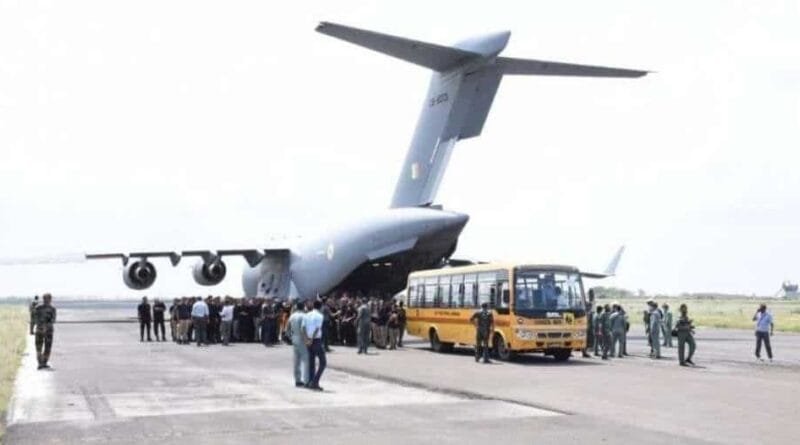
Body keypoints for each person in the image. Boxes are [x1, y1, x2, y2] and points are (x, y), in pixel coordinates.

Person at [304, 300, 326, 391]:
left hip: (308, 339)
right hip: (316, 340)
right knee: (323, 362)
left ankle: (309, 381)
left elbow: (303, 327)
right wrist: (312, 339)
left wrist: (307, 339)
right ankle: (315, 382)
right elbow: (317, 328)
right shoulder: (320, 316)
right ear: (320, 307)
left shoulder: (307, 315)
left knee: (311, 362)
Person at [31, 293, 57, 370]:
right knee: (47, 347)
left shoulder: (37, 307)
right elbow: (53, 320)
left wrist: (32, 329)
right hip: (48, 331)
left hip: (39, 330)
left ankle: (41, 363)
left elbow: (33, 319)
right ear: (49, 299)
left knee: (39, 347)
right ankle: (43, 363)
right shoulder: (52, 309)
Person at [287, 301, 308, 387]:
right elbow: (305, 328)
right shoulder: (304, 316)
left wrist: (290, 337)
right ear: (303, 307)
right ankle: (306, 380)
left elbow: (287, 328)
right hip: (302, 339)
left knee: (296, 361)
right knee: (306, 360)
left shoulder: (292, 316)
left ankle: (297, 380)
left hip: (294, 338)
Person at [583, 290, 595, 358]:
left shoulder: (590, 305)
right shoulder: (587, 310)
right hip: (585, 325)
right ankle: (584, 352)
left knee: (587, 339)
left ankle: (585, 351)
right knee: (585, 339)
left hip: (588, 325)